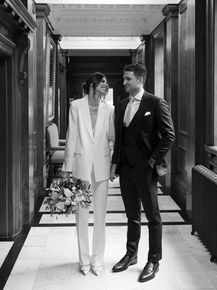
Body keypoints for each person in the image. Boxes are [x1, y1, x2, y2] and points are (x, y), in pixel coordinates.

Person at [110, 63, 175, 282]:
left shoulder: (155, 103)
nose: (124, 82)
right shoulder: (121, 104)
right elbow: (120, 138)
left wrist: (151, 162)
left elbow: (169, 136)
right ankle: (131, 254)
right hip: (126, 168)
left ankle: (154, 260)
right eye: (124, 78)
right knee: (132, 215)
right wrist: (115, 164)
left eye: (128, 78)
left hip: (146, 169)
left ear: (140, 79)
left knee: (153, 216)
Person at [61, 72, 115, 276]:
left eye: (107, 83)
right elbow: (71, 136)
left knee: (100, 215)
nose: (106, 86)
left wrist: (112, 165)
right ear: (93, 84)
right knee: (81, 215)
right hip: (80, 165)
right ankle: (84, 259)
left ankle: (97, 259)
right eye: (103, 82)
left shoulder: (109, 108)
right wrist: (66, 167)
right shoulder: (76, 106)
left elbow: (112, 139)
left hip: (101, 165)